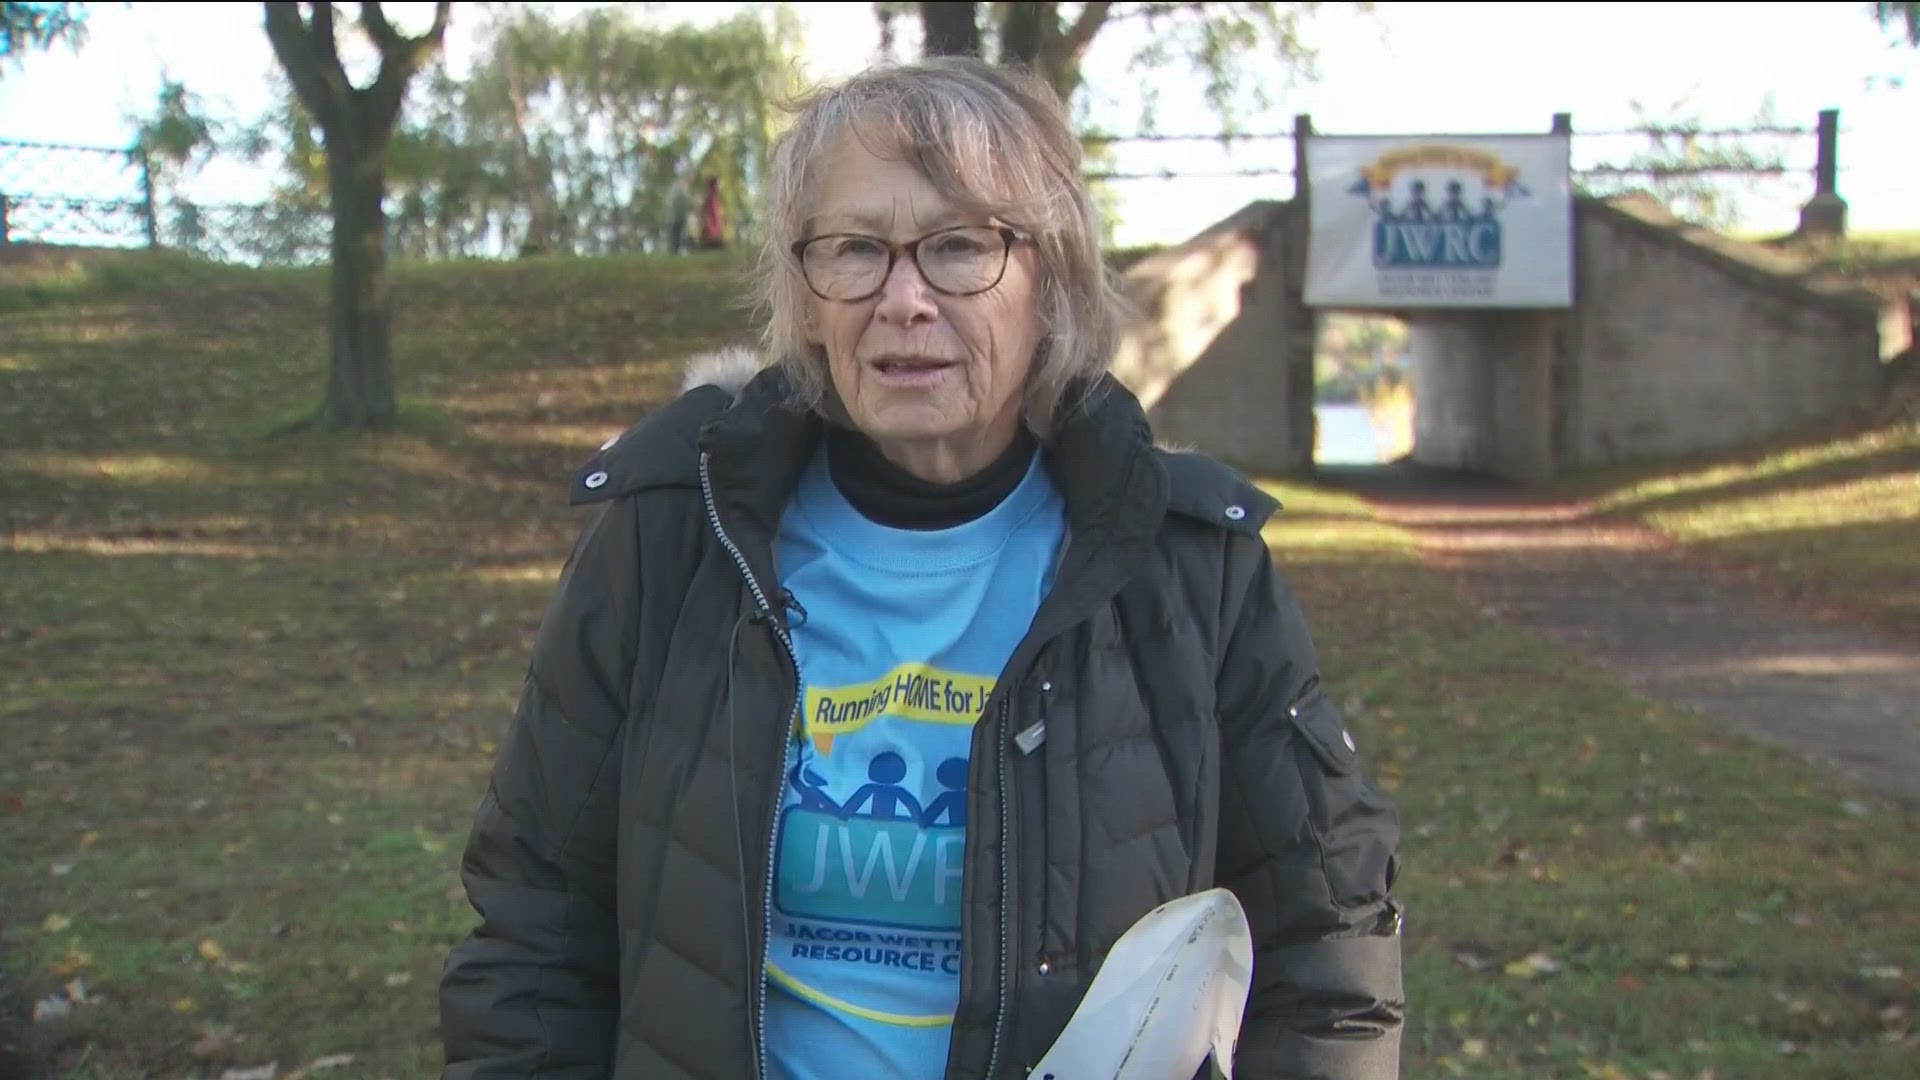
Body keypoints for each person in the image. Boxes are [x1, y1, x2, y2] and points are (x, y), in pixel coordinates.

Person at [438, 56, 1404, 1080]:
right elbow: (534, 932)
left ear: (1053, 282)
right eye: (855, 251)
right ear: (805, 296)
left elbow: (1327, 941)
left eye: (959, 248)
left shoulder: (1187, 568)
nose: (903, 300)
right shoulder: (674, 534)